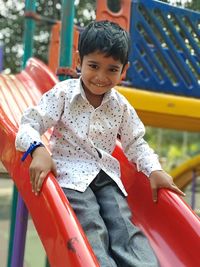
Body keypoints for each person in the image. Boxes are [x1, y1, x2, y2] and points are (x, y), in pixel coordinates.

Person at [15, 20, 185, 267]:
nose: (101, 77)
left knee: (122, 223)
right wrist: (38, 149)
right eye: (94, 66)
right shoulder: (62, 94)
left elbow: (136, 143)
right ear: (78, 61)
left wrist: (154, 170)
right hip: (71, 176)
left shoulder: (121, 107)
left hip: (106, 176)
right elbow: (29, 123)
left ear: (123, 70)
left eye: (112, 69)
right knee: (90, 222)